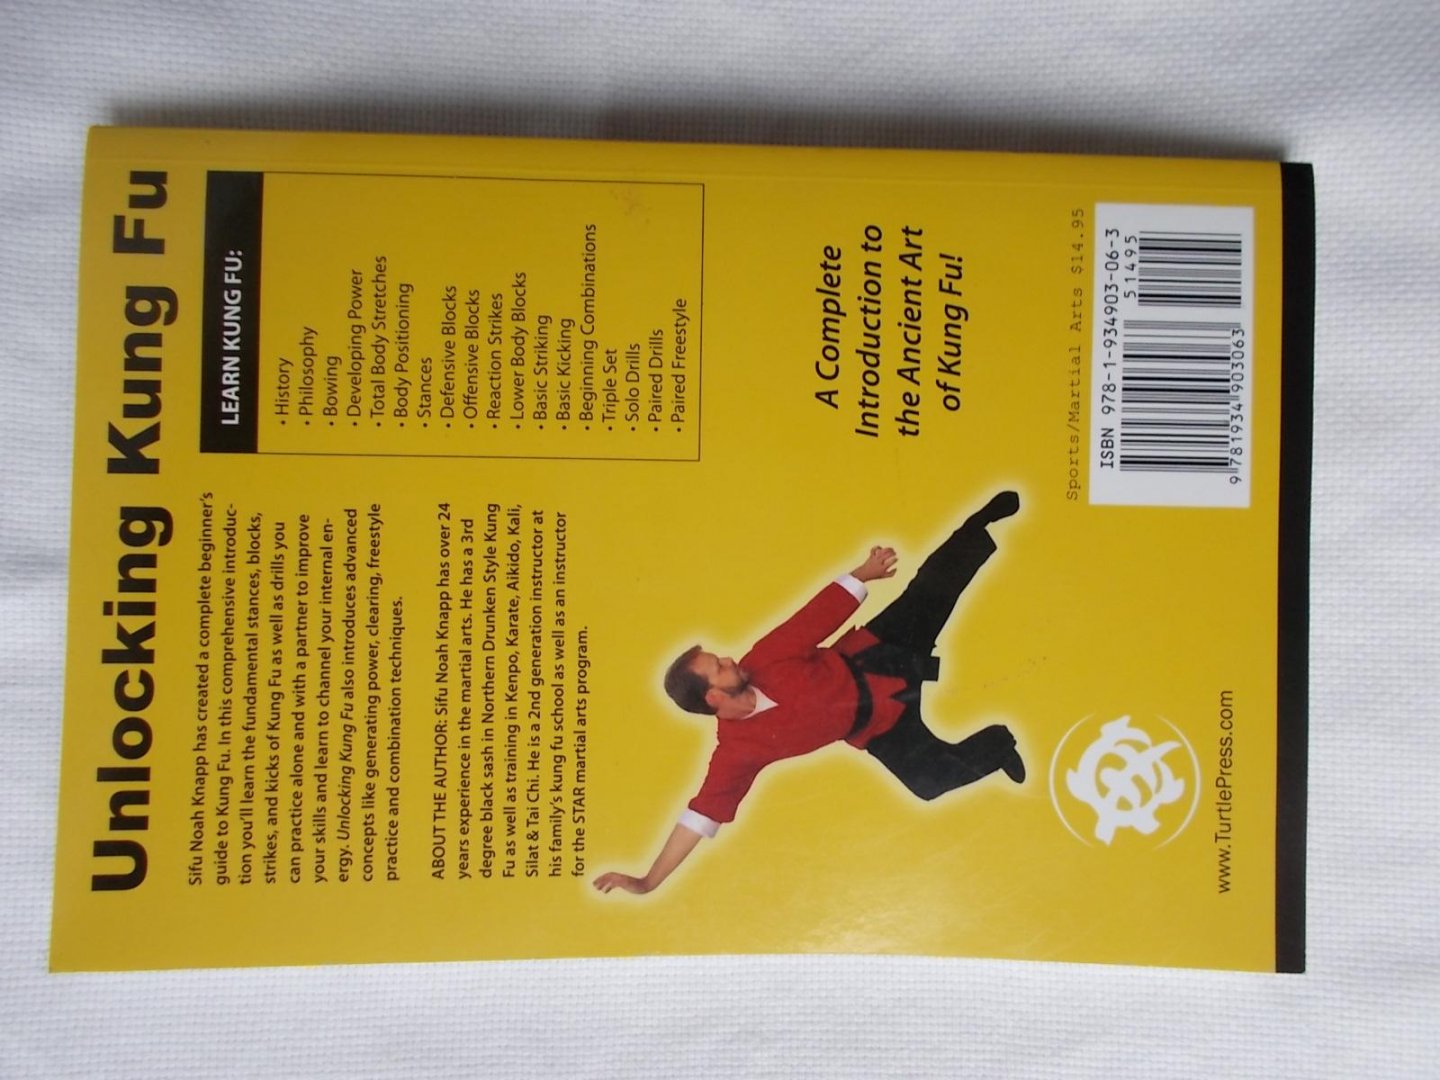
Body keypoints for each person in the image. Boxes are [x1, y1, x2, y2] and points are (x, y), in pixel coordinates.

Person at [593, 491, 1025, 896]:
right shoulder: (737, 752)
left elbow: (813, 617)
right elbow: (701, 815)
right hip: (878, 725)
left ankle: (981, 522)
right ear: (713, 699)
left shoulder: (763, 658)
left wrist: (863, 573)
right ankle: (999, 746)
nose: (727, 659)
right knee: (929, 781)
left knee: (932, 589)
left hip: (878, 654)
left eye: (718, 657)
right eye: (717, 668)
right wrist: (647, 881)